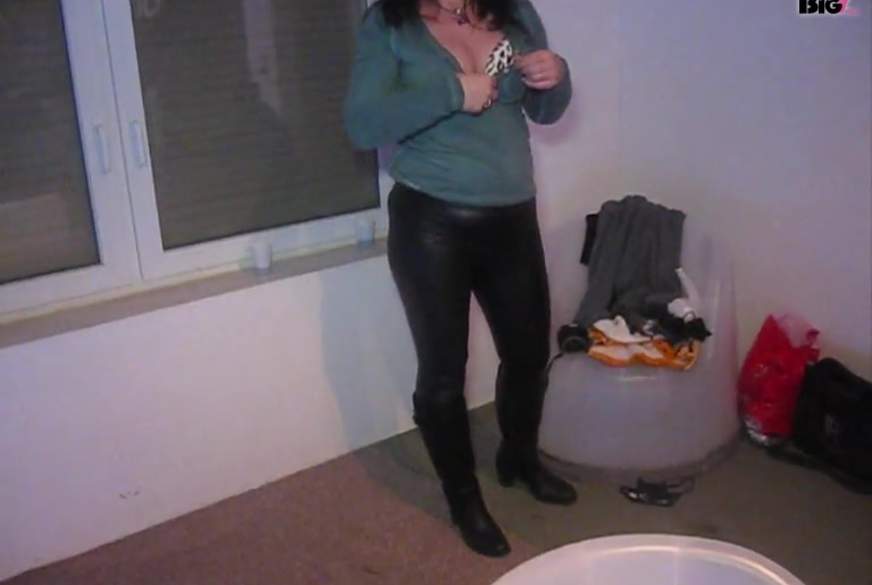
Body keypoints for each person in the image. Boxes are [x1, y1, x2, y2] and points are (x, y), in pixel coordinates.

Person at [344, 0, 576, 558]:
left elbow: (546, 111)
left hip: (512, 217)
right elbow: (363, 123)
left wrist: (556, 77)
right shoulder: (391, 23)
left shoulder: (514, 11)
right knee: (444, 374)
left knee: (528, 355)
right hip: (431, 222)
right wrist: (451, 92)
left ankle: (518, 459)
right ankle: (464, 499)